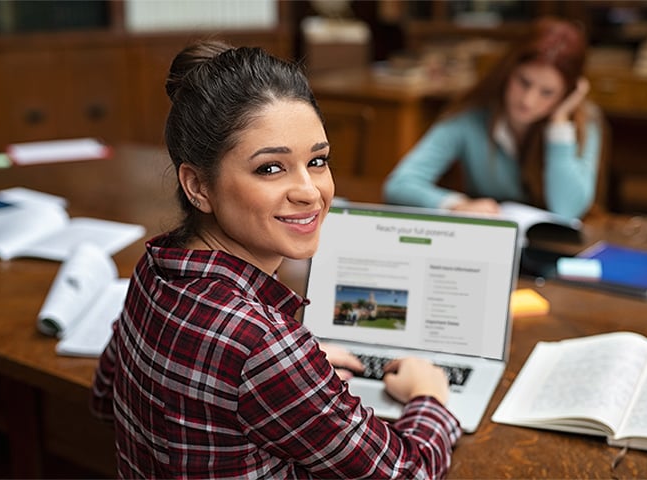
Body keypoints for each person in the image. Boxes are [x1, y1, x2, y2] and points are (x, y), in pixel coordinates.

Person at [90, 39, 460, 479]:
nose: (310, 191)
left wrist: (291, 378)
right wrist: (430, 398)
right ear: (197, 187)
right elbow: (407, 473)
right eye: (270, 168)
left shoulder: (156, 267)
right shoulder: (262, 343)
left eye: (318, 161)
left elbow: (103, 395)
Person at [382, 17, 603, 219]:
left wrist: (560, 125)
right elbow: (400, 184)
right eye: (524, 82)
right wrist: (456, 205)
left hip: (548, 251)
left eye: (547, 92)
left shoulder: (582, 123)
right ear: (508, 71)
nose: (528, 101)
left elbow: (568, 210)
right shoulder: (471, 115)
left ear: (567, 94)